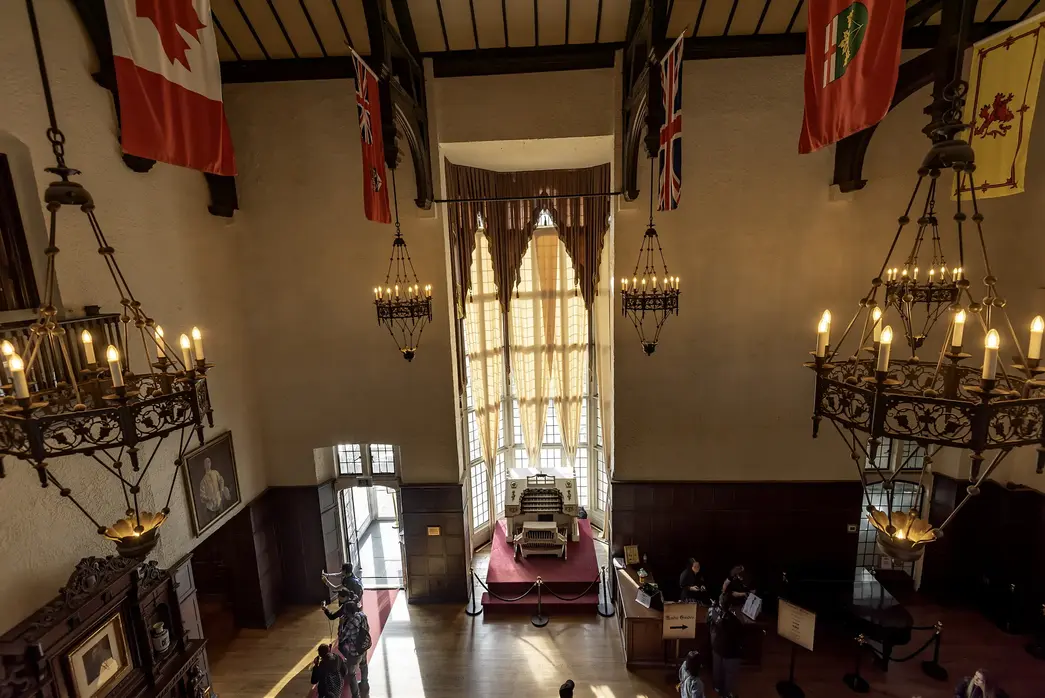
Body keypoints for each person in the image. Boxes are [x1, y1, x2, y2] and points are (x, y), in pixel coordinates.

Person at [323, 596, 372, 698]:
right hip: (364, 646)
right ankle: (364, 683)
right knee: (363, 665)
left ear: (348, 612)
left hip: (354, 652)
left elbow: (341, 638)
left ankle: (355, 695)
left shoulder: (350, 623)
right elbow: (368, 628)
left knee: (351, 674)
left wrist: (341, 625)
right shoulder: (362, 615)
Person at [710, 594, 744, 698]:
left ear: (720, 604)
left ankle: (717, 687)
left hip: (718, 648)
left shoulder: (715, 614)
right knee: (729, 674)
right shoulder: (736, 622)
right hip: (731, 652)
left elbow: (712, 616)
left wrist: (715, 607)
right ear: (730, 606)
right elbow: (740, 637)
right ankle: (726, 693)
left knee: (717, 669)